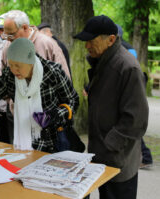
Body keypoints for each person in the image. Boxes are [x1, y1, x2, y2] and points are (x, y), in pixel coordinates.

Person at [0, 38, 79, 152]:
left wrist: (55, 115)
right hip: (25, 142)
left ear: (31, 60)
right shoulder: (10, 76)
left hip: (55, 141)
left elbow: (73, 100)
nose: (13, 70)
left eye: (18, 65)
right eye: (10, 65)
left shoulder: (53, 73)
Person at [74, 15, 149, 199]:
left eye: (91, 41)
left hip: (119, 160)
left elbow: (136, 119)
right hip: (101, 157)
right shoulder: (103, 61)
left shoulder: (127, 67)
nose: (87, 46)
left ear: (111, 39)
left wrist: (111, 144)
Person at [116, 24, 153, 169]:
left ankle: (145, 156)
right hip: (135, 86)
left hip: (129, 89)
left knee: (132, 123)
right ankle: (145, 156)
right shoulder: (129, 47)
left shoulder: (123, 50)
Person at [1, 10, 70, 79]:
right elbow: (3, 78)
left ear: (25, 27)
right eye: (6, 34)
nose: (8, 39)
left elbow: (65, 79)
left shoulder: (47, 44)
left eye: (12, 34)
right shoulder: (8, 46)